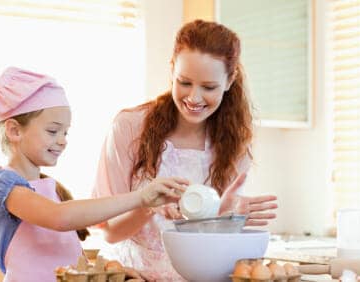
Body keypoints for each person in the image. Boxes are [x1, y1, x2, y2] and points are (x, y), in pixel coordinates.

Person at [91, 19, 278, 281]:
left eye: (209, 87)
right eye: (185, 82)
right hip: (136, 276)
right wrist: (147, 205)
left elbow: (210, 246)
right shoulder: (129, 127)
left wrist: (227, 218)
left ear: (229, 80)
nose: (194, 98)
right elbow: (111, 231)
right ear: (172, 70)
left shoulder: (235, 141)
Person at [0, 67, 188, 282]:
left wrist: (107, 272)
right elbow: (59, 217)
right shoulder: (1, 185)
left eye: (65, 132)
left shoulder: (50, 188)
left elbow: (61, 259)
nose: (62, 140)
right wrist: (140, 197)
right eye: (53, 131)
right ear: (14, 131)